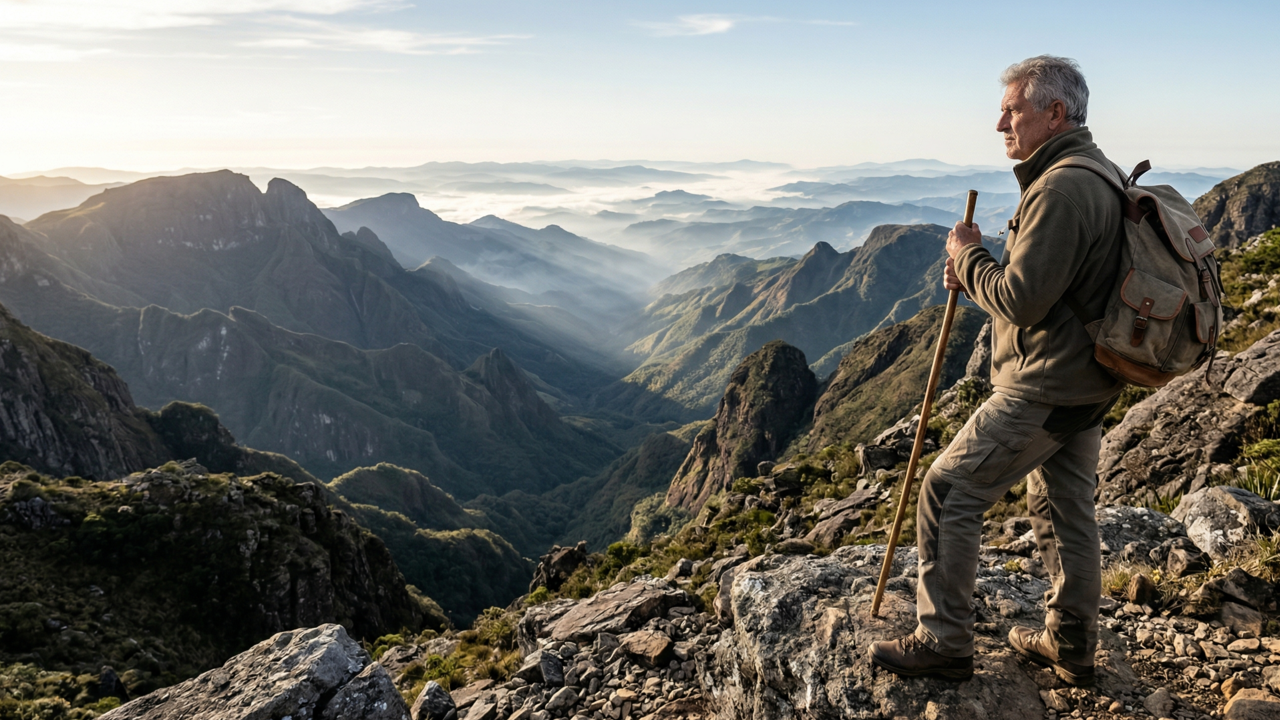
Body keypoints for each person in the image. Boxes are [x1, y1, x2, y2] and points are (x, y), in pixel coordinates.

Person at [868, 55, 1126, 686]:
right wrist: (978, 267)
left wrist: (969, 256)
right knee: (1063, 507)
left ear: (1055, 113)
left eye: (1012, 110)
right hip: (1086, 381)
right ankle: (1071, 644)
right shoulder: (1099, 171)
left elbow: (1021, 300)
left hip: (1045, 383)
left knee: (948, 491)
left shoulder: (1061, 189)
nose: (1000, 123)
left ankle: (943, 641)